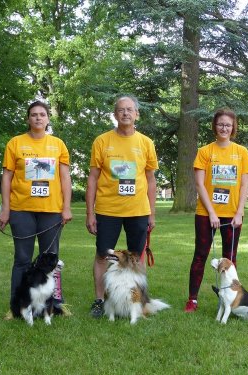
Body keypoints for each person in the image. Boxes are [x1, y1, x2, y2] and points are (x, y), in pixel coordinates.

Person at [0, 100, 72, 319]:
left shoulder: (58, 144)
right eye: (33, 114)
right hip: (21, 210)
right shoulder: (15, 143)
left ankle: (54, 305)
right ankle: (17, 307)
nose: (38, 118)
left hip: (51, 211)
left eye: (42, 114)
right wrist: (5, 209)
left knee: (51, 259)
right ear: (28, 119)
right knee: (22, 259)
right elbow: (7, 177)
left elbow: (65, 177)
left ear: (48, 118)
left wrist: (66, 207)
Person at [86, 95, 158, 318]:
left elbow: (151, 180)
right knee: (102, 255)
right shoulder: (102, 141)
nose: (125, 113)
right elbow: (92, 178)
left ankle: (137, 300)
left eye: (130, 109)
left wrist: (151, 213)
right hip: (108, 210)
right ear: (115, 114)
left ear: (137, 114)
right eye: (121, 110)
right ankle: (99, 301)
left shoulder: (146, 143)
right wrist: (90, 213)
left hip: (138, 210)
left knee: (137, 256)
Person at [184, 108, 248, 313]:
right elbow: (199, 185)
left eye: (228, 125)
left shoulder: (241, 152)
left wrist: (239, 211)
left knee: (230, 258)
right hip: (206, 214)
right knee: (201, 255)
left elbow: (244, 186)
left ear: (233, 128)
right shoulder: (205, 151)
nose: (224, 128)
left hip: (233, 214)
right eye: (221, 124)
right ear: (215, 126)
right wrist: (212, 213)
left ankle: (233, 299)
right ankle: (192, 299)